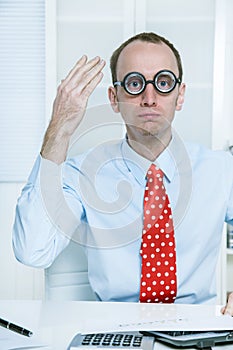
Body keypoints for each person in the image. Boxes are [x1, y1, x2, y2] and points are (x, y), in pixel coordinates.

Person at [12, 32, 233, 314]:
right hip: (113, 329)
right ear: (114, 99)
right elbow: (32, 250)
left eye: (163, 83)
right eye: (134, 84)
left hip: (198, 329)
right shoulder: (83, 173)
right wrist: (61, 126)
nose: (149, 98)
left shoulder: (221, 168)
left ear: (180, 96)